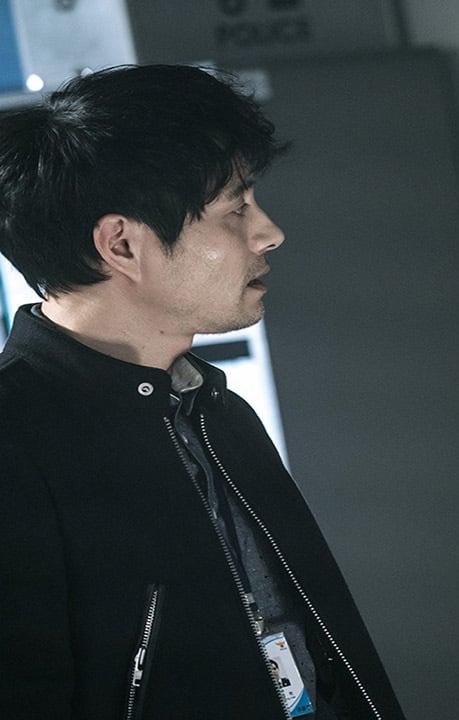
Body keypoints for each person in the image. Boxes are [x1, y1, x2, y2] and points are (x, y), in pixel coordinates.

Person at [0, 65, 404, 719]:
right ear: (122, 244)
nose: (268, 232)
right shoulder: (15, 441)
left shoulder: (215, 410)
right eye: (236, 209)